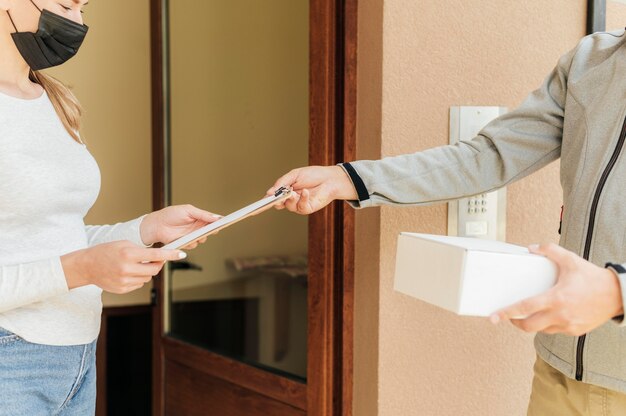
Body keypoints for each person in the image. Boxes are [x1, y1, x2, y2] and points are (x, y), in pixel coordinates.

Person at [269, 29, 626, 414]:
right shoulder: (592, 59)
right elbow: (489, 155)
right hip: (559, 372)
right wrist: (349, 179)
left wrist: (616, 292)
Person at [0, 0, 218, 414]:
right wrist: (81, 270)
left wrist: (145, 230)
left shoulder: (52, 98)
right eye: (66, 4)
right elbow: (70, 262)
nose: (76, 23)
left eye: (83, 8)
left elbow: (51, 237)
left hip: (77, 354)